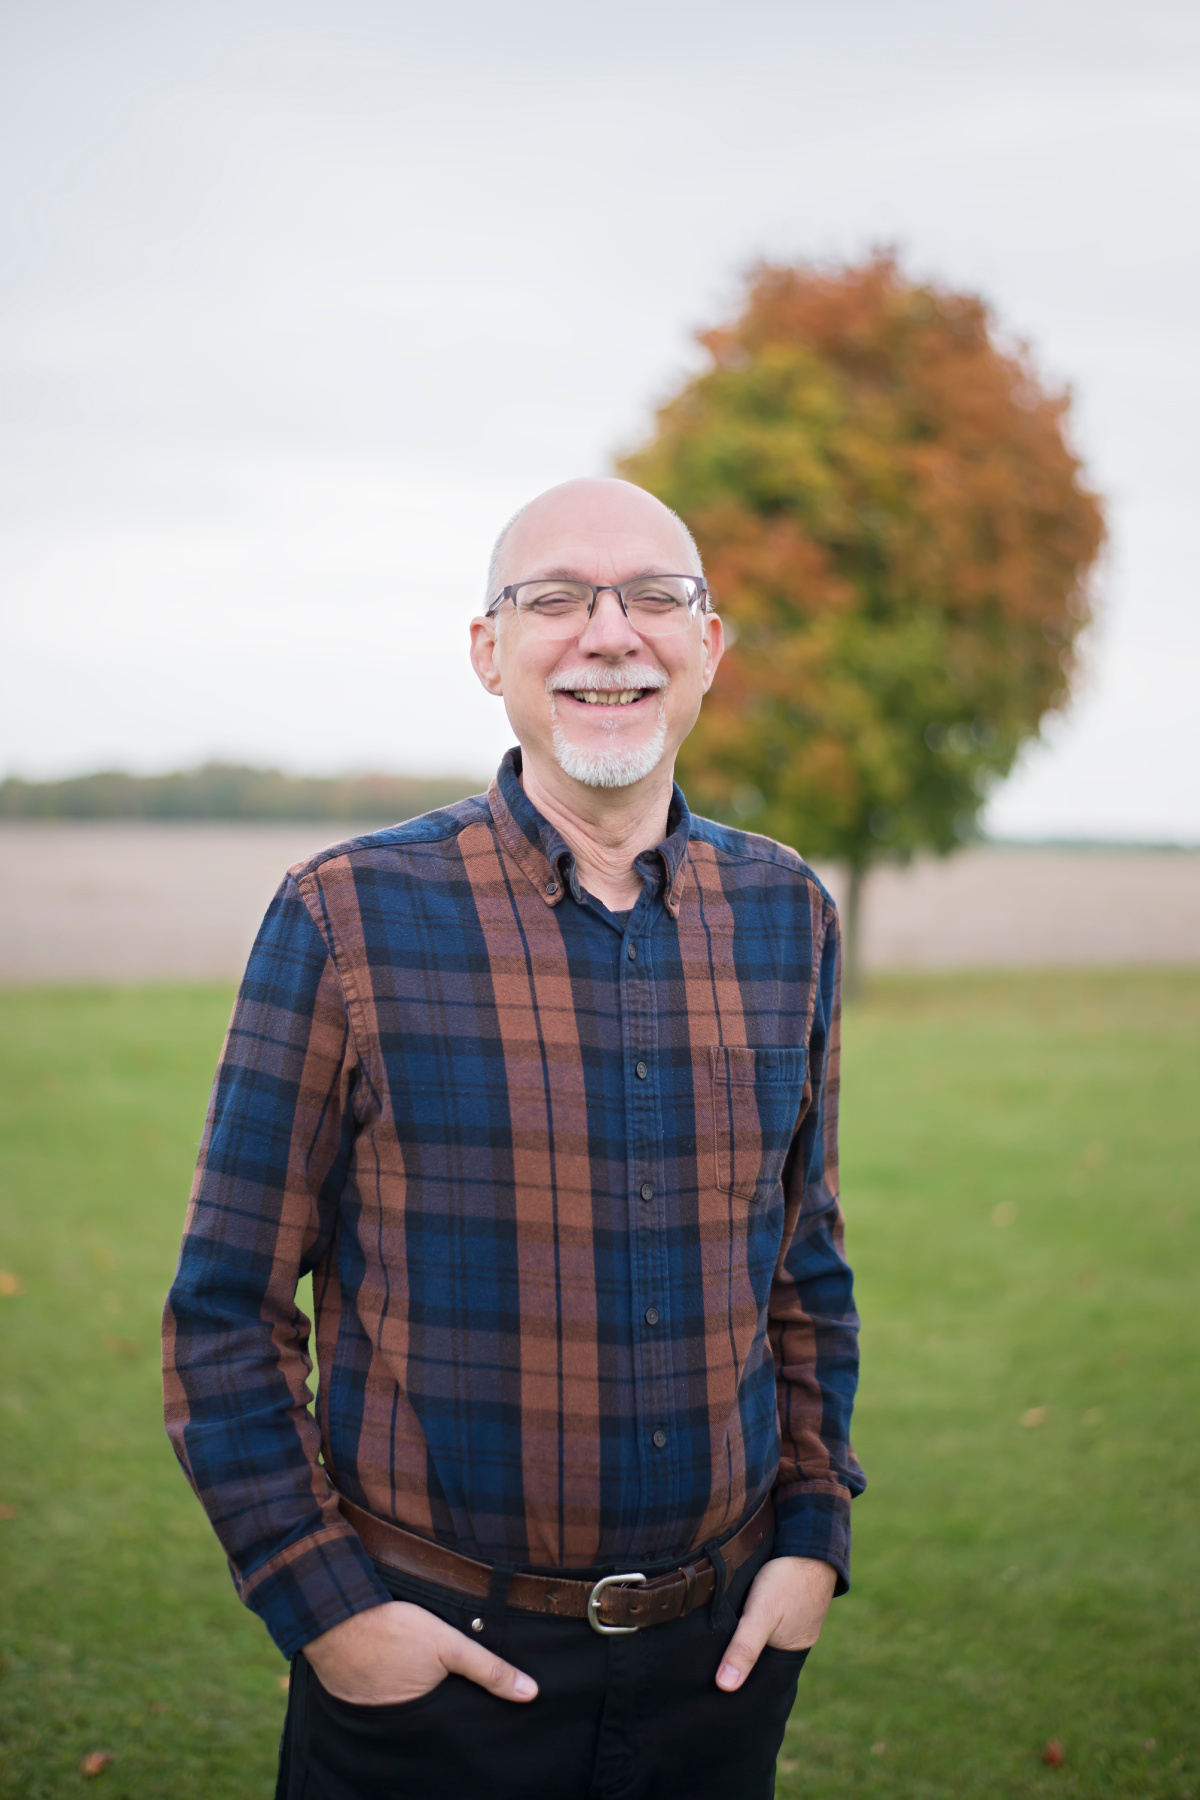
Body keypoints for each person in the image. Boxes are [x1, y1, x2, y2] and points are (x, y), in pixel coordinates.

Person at [162, 477, 864, 1800]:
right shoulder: (346, 916)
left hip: (718, 1674)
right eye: (556, 600)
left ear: (709, 646)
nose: (612, 634)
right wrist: (332, 1616)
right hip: (433, 1683)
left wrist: (812, 1541)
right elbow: (225, 1315)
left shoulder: (786, 916)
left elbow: (802, 1269)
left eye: (657, 596)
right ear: (491, 652)